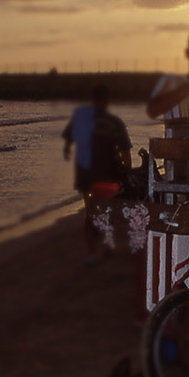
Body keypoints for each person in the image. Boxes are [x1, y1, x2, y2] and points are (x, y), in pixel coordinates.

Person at [63, 84, 132, 263]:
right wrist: (127, 172)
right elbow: (125, 151)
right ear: (107, 100)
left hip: (87, 173)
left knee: (90, 210)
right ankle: (108, 245)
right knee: (107, 209)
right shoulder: (114, 122)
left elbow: (69, 141)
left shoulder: (81, 119)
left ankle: (93, 251)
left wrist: (68, 151)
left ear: (92, 99)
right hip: (109, 174)